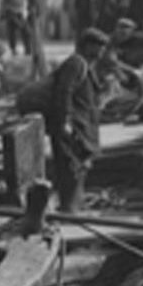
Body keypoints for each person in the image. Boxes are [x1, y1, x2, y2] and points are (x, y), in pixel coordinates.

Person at [39, 27, 115, 214]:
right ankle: (69, 209)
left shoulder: (87, 66)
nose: (101, 51)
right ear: (87, 46)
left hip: (82, 126)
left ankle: (74, 206)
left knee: (79, 168)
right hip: (73, 127)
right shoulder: (76, 63)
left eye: (103, 47)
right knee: (70, 168)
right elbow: (64, 92)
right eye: (98, 46)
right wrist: (65, 120)